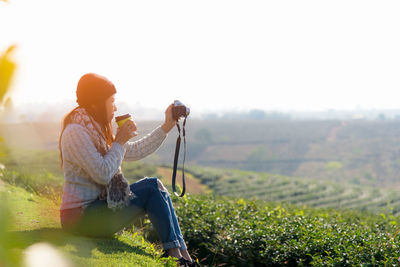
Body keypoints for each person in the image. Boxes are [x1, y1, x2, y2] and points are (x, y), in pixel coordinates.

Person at [58, 73, 198, 266]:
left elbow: (133, 151)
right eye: (111, 101)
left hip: (98, 211)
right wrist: (120, 140)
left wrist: (166, 126)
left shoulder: (97, 131)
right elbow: (102, 173)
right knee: (151, 187)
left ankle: (184, 256)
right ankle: (175, 257)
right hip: (81, 218)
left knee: (155, 186)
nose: (115, 107)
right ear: (95, 103)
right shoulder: (76, 132)